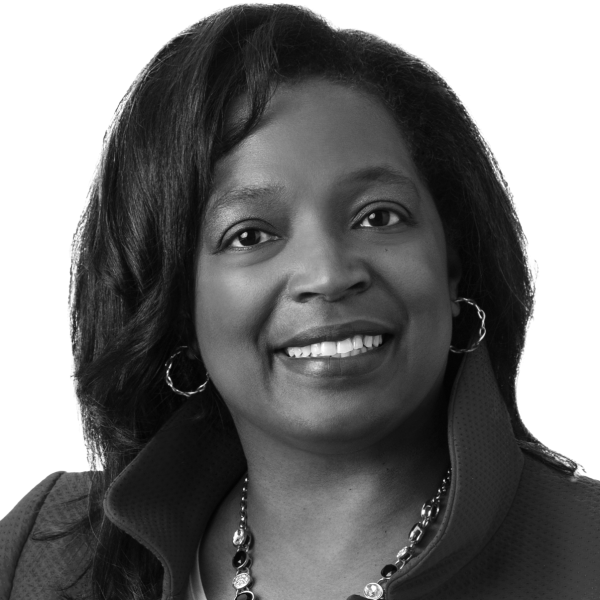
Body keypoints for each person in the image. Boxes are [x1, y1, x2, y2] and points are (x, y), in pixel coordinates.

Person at [1, 4, 598, 600]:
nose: (329, 274)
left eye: (379, 216)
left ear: (453, 264)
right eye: (249, 235)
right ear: (179, 310)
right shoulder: (43, 551)